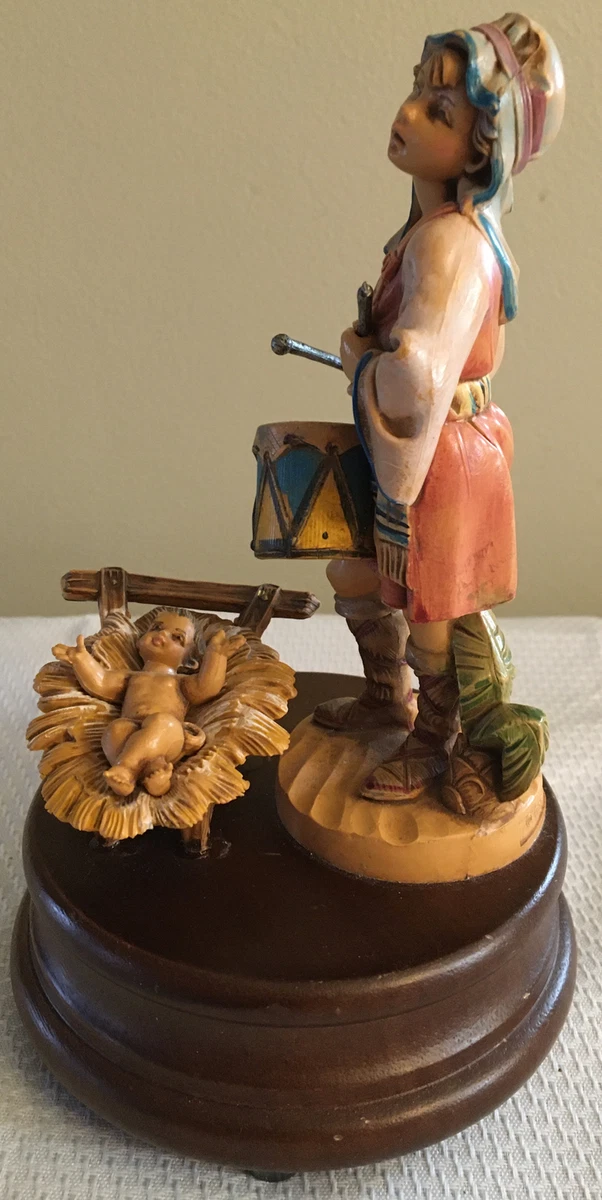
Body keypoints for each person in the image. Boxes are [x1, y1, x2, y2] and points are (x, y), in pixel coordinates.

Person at [314, 14, 565, 801]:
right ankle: (388, 695)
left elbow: (417, 378)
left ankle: (433, 738)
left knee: (429, 613)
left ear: (481, 151)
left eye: (441, 111)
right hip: (422, 448)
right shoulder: (425, 232)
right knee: (356, 573)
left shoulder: (451, 246)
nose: (410, 113)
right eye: (419, 91)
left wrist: (361, 358)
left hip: (442, 456)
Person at [52, 611, 246, 797]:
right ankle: (154, 779)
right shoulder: (131, 678)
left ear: (190, 661)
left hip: (168, 735)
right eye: (156, 628)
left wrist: (216, 656)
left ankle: (126, 770)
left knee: (162, 722)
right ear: (139, 642)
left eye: (177, 638)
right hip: (131, 730)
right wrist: (80, 659)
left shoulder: (180, 682)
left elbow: (207, 687)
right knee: (116, 729)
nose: (162, 634)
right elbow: (101, 681)